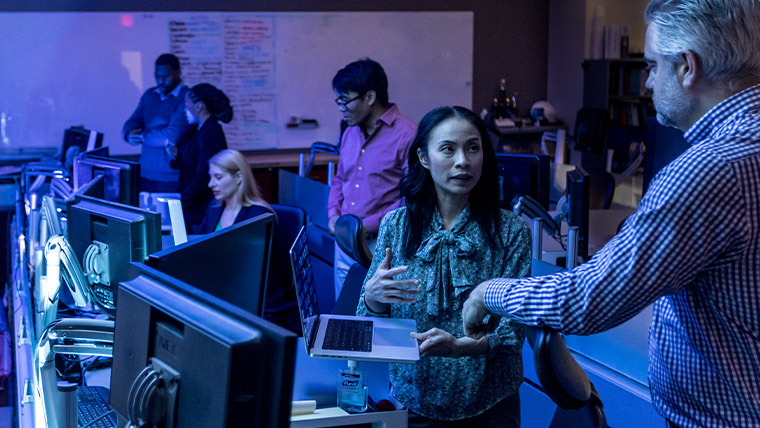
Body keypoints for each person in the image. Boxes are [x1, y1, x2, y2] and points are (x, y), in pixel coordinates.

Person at [463, 1, 760, 427]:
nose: (649, 83)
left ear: (688, 68)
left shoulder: (709, 171)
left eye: (653, 66)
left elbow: (588, 300)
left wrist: (488, 291)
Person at [358, 106, 531, 427]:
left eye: (473, 148)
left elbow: (514, 330)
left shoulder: (510, 231)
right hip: (415, 398)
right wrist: (373, 296)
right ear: (423, 157)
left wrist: (462, 348)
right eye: (448, 149)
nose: (463, 161)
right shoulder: (397, 226)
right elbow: (367, 326)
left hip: (491, 402)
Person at [328, 58, 416, 300]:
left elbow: (412, 197)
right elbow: (339, 180)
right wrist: (333, 215)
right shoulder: (349, 132)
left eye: (345, 100)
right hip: (345, 239)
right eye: (339, 101)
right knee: (345, 310)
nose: (341, 108)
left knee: (379, 317)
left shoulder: (407, 134)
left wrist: (367, 225)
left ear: (369, 97)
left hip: (382, 243)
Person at [122, 53, 191, 193]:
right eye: (157, 76)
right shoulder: (149, 95)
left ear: (178, 73)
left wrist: (142, 136)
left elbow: (171, 136)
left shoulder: (187, 97)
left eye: (166, 76)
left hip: (170, 178)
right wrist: (128, 134)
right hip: (144, 174)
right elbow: (133, 121)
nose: (161, 80)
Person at [172, 83, 232, 232]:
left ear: (199, 107)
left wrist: (182, 203)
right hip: (196, 207)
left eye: (187, 105)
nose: (185, 110)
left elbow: (204, 175)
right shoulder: (202, 130)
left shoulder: (211, 133)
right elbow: (194, 162)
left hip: (202, 209)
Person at [194, 149, 273, 234]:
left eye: (218, 177)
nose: (210, 184)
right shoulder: (213, 209)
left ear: (238, 177)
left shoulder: (259, 215)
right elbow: (199, 243)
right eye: (211, 177)